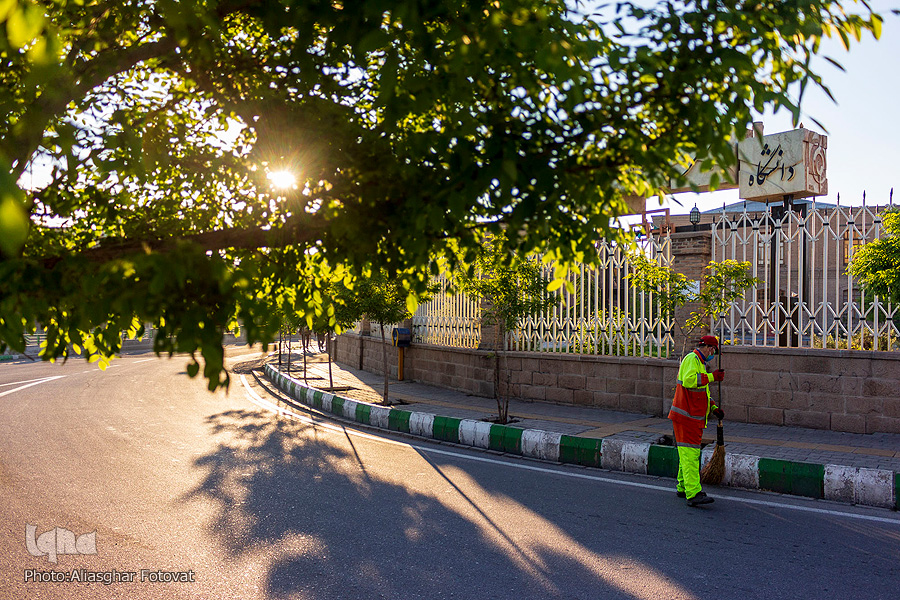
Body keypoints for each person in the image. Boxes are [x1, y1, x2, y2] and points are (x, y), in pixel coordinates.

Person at [668, 335, 725, 507]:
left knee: (686, 454)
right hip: (687, 417)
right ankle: (693, 493)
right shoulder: (692, 359)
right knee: (691, 455)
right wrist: (712, 377)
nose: (713, 354)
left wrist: (713, 408)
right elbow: (689, 381)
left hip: (690, 417)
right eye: (713, 350)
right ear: (709, 348)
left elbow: (702, 392)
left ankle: (683, 487)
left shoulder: (700, 363)